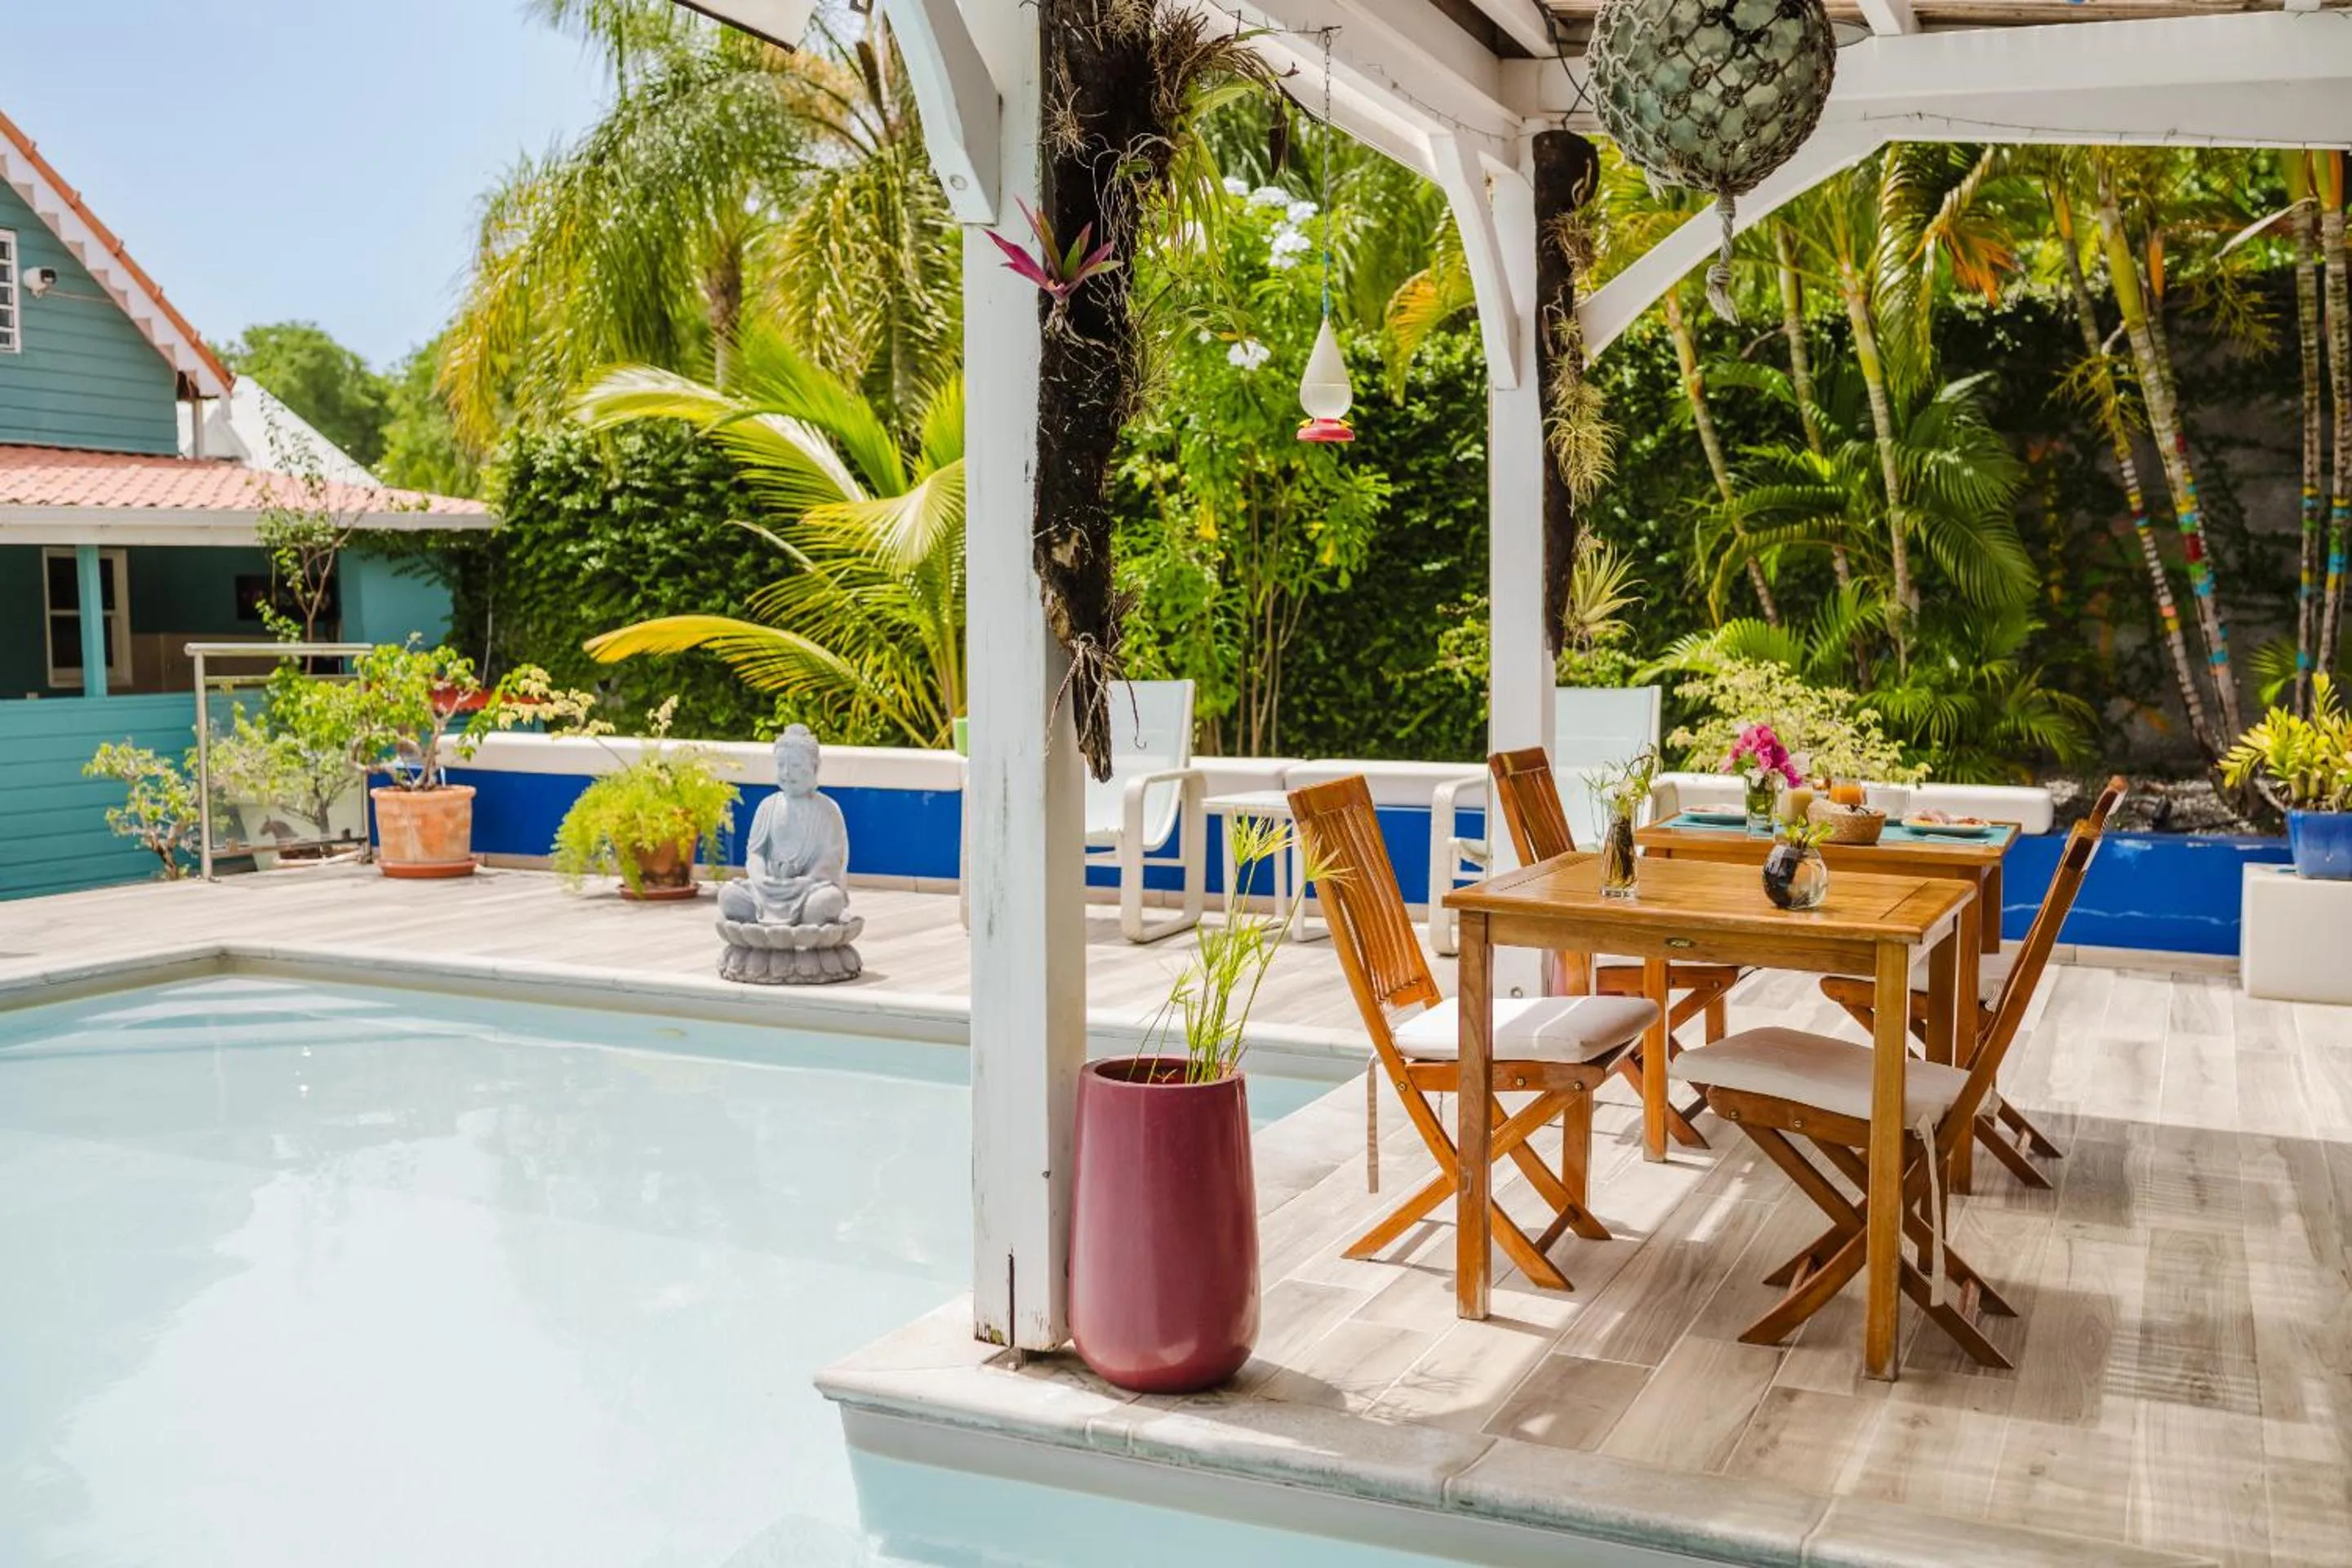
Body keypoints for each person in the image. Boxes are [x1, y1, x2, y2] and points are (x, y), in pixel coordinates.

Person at [717, 726, 851, 926]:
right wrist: (761, 878)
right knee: (729, 896)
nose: (787, 773)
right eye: (781, 765)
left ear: (815, 767)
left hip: (808, 889)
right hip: (768, 890)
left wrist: (805, 882)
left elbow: (831, 859)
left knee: (826, 902)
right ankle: (783, 922)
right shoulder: (768, 807)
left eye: (796, 765)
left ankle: (802, 919)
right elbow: (755, 853)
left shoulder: (828, 810)